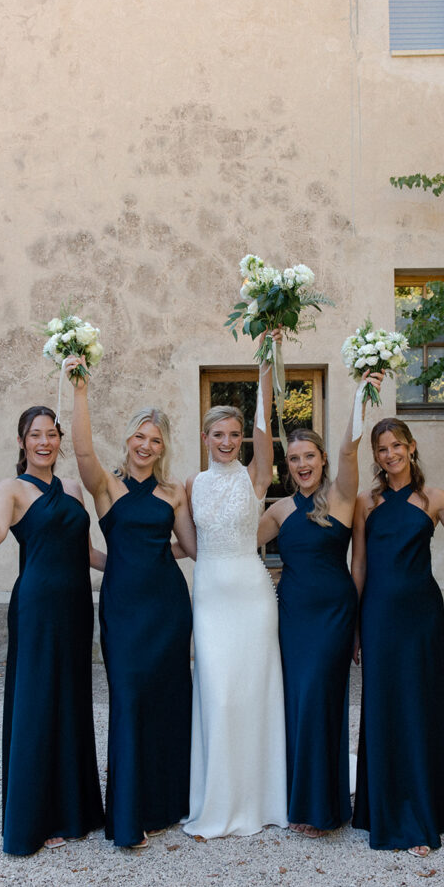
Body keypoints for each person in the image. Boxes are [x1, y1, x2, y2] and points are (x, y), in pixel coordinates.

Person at [0, 406, 105, 856]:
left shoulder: (73, 488)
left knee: (71, 700)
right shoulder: (11, 488)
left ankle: (74, 811)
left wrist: (138, 564)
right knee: (37, 703)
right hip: (37, 608)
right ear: (22, 441)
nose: (44, 442)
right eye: (35, 435)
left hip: (75, 609)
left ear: (59, 440)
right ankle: (36, 818)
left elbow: (88, 553)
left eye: (51, 434)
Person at [351, 417, 444, 857]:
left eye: (397, 446)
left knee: (420, 705)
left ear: (411, 447)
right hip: (378, 616)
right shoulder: (364, 502)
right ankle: (383, 809)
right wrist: (354, 627)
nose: (390, 454)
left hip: (421, 617)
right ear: (375, 456)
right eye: (382, 449)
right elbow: (359, 565)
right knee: (383, 705)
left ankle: (423, 810)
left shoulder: (434, 498)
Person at [65, 356, 196, 849]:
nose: (146, 446)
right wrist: (80, 389)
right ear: (127, 440)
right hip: (123, 610)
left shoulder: (173, 492)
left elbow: (191, 547)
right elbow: (81, 449)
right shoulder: (107, 485)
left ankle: (164, 806)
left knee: (167, 702)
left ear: (164, 447)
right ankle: (126, 816)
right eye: (140, 437)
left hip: (168, 608)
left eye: (155, 440)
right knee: (129, 699)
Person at [257, 373, 383, 838]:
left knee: (319, 700)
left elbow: (351, 451)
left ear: (323, 458)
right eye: (293, 459)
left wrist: (360, 396)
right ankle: (299, 799)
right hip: (291, 616)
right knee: (295, 702)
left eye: (309, 456)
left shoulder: (341, 498)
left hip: (333, 616)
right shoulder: (278, 511)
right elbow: (232, 547)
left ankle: (321, 809)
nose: (301, 464)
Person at [183, 333, 287, 838]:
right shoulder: (192, 484)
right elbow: (187, 543)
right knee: (219, 695)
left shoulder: (256, 477)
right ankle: (218, 797)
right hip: (210, 597)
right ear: (205, 438)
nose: (226, 441)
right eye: (218, 434)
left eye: (234, 434)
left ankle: (262, 797)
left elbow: (267, 429)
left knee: (253, 693)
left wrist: (266, 363)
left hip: (251, 594)